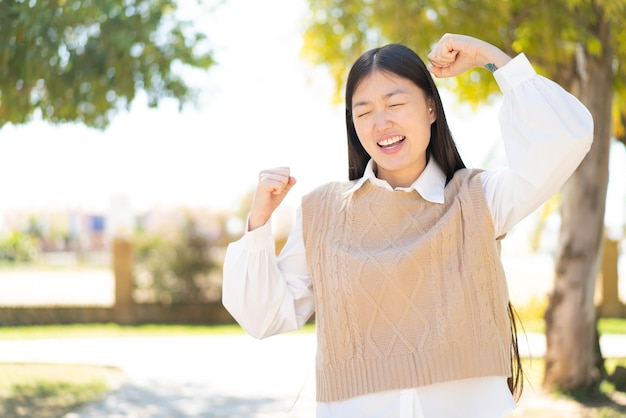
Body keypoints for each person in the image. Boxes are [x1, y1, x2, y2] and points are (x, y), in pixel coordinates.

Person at [222, 33, 593, 418]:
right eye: (363, 112)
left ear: (431, 108)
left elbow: (566, 139)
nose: (382, 123)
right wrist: (258, 222)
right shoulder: (322, 213)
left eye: (396, 103)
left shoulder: (477, 200)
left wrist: (491, 58)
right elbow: (264, 316)